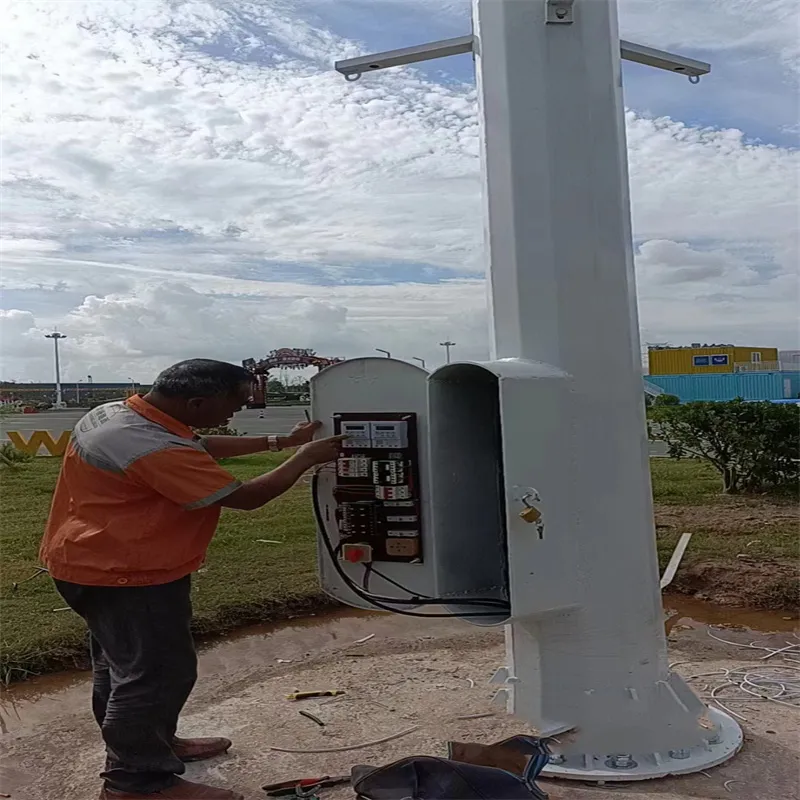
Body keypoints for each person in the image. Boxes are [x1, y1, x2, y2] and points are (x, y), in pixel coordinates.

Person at [39, 359, 346, 800]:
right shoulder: (152, 446)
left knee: (121, 667)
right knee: (156, 675)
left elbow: (198, 444)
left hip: (89, 560)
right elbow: (246, 497)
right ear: (197, 401)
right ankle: (139, 783)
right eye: (234, 405)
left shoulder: (120, 414)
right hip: (129, 574)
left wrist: (280, 440)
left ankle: (151, 746)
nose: (235, 415)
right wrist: (304, 458)